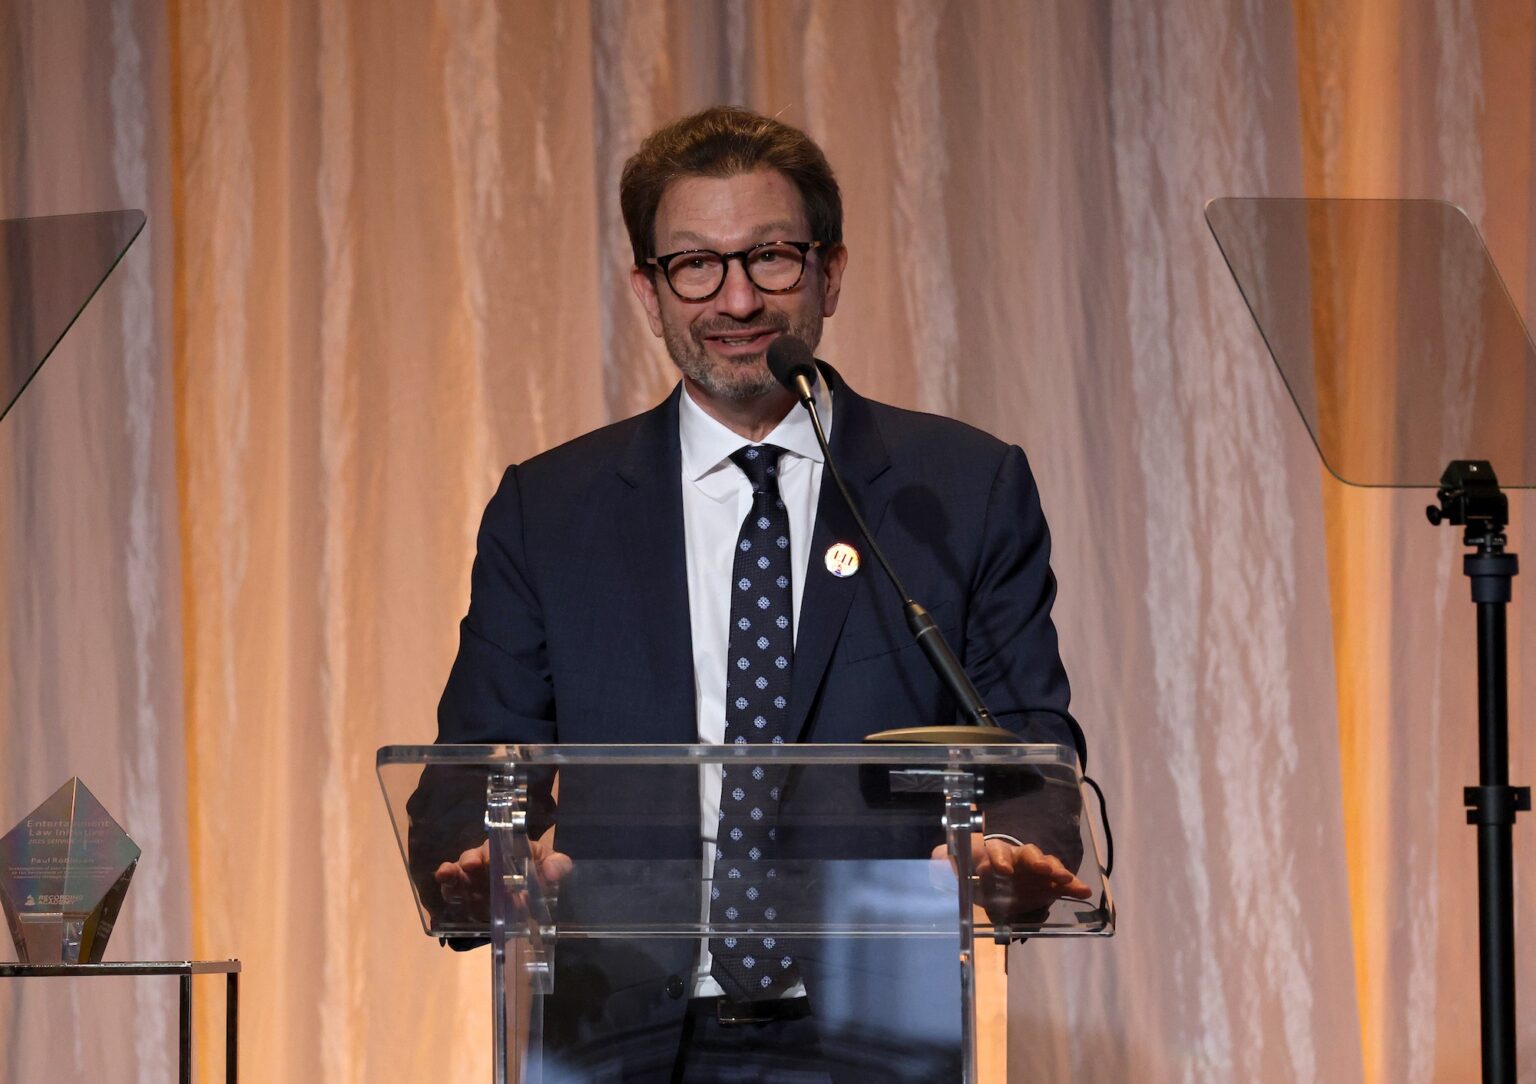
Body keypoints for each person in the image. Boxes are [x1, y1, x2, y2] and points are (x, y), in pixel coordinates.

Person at [422, 105, 1090, 1082]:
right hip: (614, 1034)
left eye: (772, 257)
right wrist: (488, 865)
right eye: (696, 264)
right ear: (649, 290)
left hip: (878, 1035)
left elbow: (1032, 754)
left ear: (831, 272)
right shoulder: (550, 510)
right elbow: (462, 781)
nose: (736, 299)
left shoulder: (957, 490)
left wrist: (1007, 850)